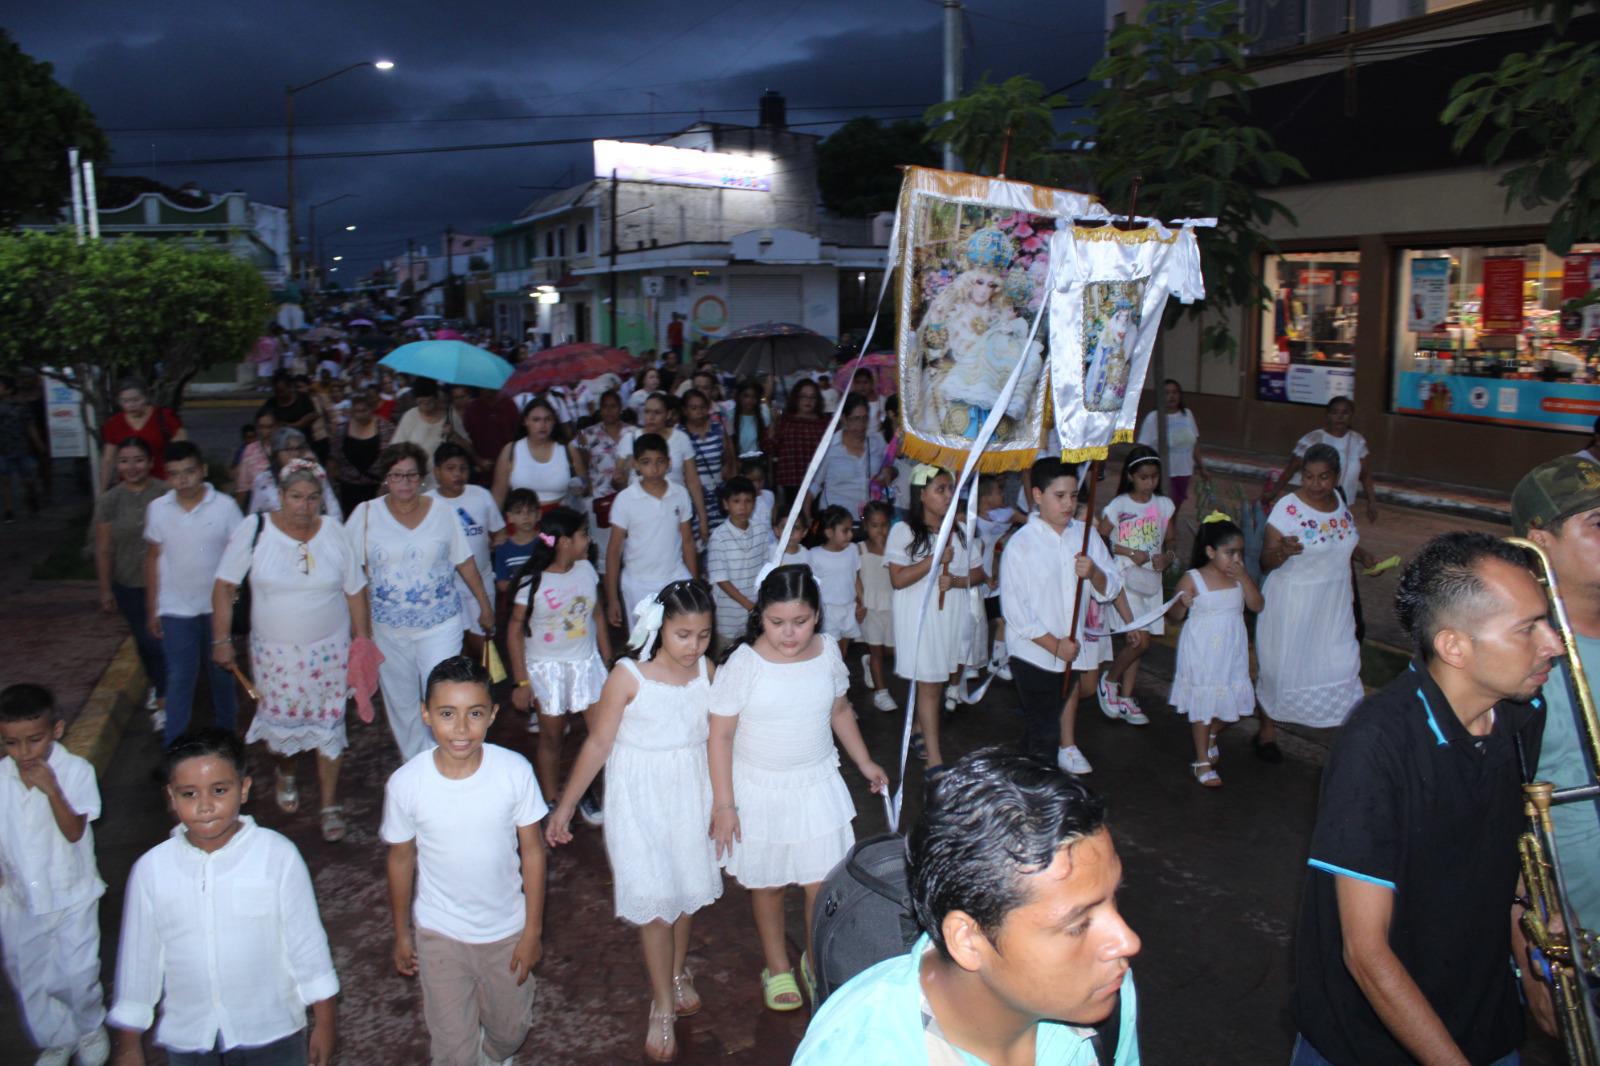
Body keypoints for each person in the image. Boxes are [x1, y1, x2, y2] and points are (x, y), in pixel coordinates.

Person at [1290, 532, 1560, 1065]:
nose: (1552, 643)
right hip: (1370, 1044)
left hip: (1485, 1025)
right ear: (1454, 646)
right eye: (1528, 629)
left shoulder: (1521, 714)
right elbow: (1366, 954)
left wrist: (1533, 959)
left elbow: (1509, 860)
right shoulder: (1378, 743)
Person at [793, 749, 1141, 1066]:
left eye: (1114, 900)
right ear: (967, 939)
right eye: (1077, 924)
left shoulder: (1104, 991)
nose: (1127, 941)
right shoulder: (856, 1054)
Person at [545, 581, 722, 1062]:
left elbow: (718, 740)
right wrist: (565, 806)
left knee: (685, 896)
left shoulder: (709, 671)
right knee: (656, 906)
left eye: (704, 635)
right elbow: (598, 744)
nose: (694, 646)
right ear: (659, 626)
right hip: (639, 800)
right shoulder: (628, 676)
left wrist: (725, 802)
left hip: (690, 795)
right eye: (683, 634)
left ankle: (678, 971)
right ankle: (661, 1005)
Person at [709, 566, 889, 1012]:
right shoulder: (744, 665)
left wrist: (865, 761)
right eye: (776, 623)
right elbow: (720, 736)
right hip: (759, 791)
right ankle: (777, 965)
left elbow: (841, 711)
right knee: (768, 885)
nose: (789, 634)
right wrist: (725, 804)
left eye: (801, 621)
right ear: (760, 617)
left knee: (821, 885)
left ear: (817, 616)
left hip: (815, 785)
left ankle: (813, 956)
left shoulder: (827, 652)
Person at [109, 729, 338, 1066]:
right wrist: (128, 1044)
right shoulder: (152, 870)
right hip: (191, 1038)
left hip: (271, 1029)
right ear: (171, 797)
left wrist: (326, 1021)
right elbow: (138, 959)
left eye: (219, 790)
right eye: (189, 794)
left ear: (243, 788)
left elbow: (307, 944)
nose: (204, 806)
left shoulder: (276, 856)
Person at [381, 657, 546, 1066]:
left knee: (511, 1031)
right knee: (453, 1051)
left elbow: (534, 852)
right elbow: (400, 860)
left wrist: (531, 932)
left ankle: (493, 1054)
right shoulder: (407, 784)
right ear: (425, 714)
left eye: (474, 714)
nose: (460, 729)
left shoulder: (514, 772)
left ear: (492, 715)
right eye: (447, 714)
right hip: (441, 933)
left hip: (506, 931)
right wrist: (402, 932)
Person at [212, 458, 369, 843]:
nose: (304, 505)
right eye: (296, 497)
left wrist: (363, 642)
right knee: (282, 728)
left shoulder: (333, 531)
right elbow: (225, 586)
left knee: (330, 724)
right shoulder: (256, 530)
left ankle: (329, 803)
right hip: (275, 656)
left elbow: (355, 590)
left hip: (329, 652)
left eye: (312, 497)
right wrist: (221, 639)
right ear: (280, 496)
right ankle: (286, 770)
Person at [347, 444, 494, 761]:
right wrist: (358, 628)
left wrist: (485, 605)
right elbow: (348, 572)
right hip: (388, 628)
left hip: (440, 624)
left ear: (422, 478)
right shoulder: (366, 514)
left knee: (441, 693)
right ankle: (415, 764)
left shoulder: (441, 512)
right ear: (386, 478)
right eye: (397, 475)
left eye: (411, 475)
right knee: (401, 703)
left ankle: (444, 759)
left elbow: (464, 561)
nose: (404, 482)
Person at [1512, 454, 1600, 941]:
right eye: (1597, 522)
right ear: (1539, 540)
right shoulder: (1518, 652)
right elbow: (1488, 809)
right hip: (1573, 929)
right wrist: (1520, 924)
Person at [0, 683, 110, 1066]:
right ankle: (56, 1038)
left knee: (78, 973)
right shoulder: (1, 777)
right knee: (30, 978)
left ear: (56, 731)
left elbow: (74, 831)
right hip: (19, 900)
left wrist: (52, 792)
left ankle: (90, 1026)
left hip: (71, 896)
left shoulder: (76, 771)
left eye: (34, 740)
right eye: (11, 743)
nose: (24, 753)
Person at [1002, 458, 1128, 773]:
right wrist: (1054, 645)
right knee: (1045, 728)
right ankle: (1041, 793)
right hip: (1033, 652)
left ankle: (1020, 781)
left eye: (1073, 496)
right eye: (1059, 496)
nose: (1069, 504)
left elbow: (1111, 586)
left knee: (1041, 727)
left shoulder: (1085, 536)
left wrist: (1095, 573)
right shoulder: (1020, 545)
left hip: (1069, 651)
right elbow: (1016, 611)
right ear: (1037, 495)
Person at [1255, 443, 1378, 755]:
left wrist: (1362, 555)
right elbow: (1265, 561)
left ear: (1336, 477)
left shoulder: (1339, 500)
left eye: (1323, 477)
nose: (1315, 484)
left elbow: (1341, 540)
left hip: (1334, 605)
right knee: (1280, 670)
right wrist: (1282, 551)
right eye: (1308, 477)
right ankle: (1267, 731)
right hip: (1294, 604)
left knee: (1342, 665)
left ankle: (1345, 744)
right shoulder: (1288, 508)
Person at [506, 507, 610, 820]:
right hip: (547, 670)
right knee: (552, 739)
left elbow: (597, 616)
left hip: (585, 664)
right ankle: (551, 799)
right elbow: (514, 632)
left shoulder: (586, 570)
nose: (588, 541)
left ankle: (583, 790)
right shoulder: (532, 583)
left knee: (601, 736)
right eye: (582, 535)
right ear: (564, 542)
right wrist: (522, 682)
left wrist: (608, 661)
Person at [142, 442, 244, 748]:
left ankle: (227, 737)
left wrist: (233, 598)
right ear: (166, 477)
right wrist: (152, 608)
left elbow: (239, 554)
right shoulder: (158, 509)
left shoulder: (225, 507)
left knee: (221, 674)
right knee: (180, 676)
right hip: (176, 609)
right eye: (174, 474)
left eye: (189, 472)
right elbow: (152, 558)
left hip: (217, 609)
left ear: (202, 471)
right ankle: (174, 744)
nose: (182, 480)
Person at [887, 465, 985, 767]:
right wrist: (934, 560)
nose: (947, 496)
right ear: (921, 494)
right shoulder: (903, 531)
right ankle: (935, 760)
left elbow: (980, 573)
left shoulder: (961, 531)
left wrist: (955, 580)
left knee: (937, 680)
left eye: (950, 490)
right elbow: (898, 579)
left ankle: (919, 728)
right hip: (919, 618)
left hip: (950, 614)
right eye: (940, 490)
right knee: (929, 684)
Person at [1166, 515, 1261, 788]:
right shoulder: (1193, 578)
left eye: (1239, 552)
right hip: (1202, 650)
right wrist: (1182, 604)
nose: (1236, 558)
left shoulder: (1239, 578)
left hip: (1231, 651)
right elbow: (1174, 616)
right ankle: (1201, 761)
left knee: (1241, 707)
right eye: (1229, 552)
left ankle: (1210, 734)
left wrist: (1245, 577)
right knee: (1204, 705)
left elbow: (1257, 605)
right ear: (1210, 551)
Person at [1096, 445, 1176, 725]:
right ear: (1131, 476)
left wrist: (1168, 558)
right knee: (1139, 639)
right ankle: (1109, 680)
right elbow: (1100, 538)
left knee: (1142, 643)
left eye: (1154, 477)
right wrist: (1130, 552)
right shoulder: (1119, 506)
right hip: (1126, 578)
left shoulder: (1164, 506)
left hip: (1151, 580)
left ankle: (1127, 697)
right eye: (1143, 477)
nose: (1149, 483)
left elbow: (1171, 540)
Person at [94, 438, 168, 726]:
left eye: (139, 459)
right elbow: (103, 548)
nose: (132, 466)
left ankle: (166, 699)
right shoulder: (110, 501)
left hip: (166, 583)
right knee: (146, 641)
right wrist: (104, 589)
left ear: (150, 462)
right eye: (124, 461)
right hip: (129, 585)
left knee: (160, 641)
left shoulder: (165, 493)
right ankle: (159, 686)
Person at [605, 434, 696, 630]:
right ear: (635, 464)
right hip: (638, 583)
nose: (654, 469)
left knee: (682, 634)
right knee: (643, 643)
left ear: (669, 462)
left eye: (660, 462)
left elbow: (687, 541)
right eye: (646, 462)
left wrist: (695, 584)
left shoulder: (680, 494)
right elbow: (614, 550)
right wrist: (612, 598)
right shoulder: (625, 499)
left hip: (675, 577)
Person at [430, 442, 506, 660]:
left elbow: (499, 533)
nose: (458, 474)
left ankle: (484, 683)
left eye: (463, 468)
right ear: (437, 472)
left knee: (483, 638)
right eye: (450, 468)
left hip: (481, 580)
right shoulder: (428, 502)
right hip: (446, 586)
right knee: (455, 641)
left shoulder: (480, 495)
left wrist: (496, 545)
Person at [1266, 395, 1378, 524]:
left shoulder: (1358, 441)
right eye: (1335, 412)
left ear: (1351, 416)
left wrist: (1372, 502)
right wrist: (1273, 493)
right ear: (1328, 415)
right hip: (1314, 504)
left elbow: (1366, 475)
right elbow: (1291, 469)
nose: (1340, 417)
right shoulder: (1313, 439)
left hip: (1344, 507)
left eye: (1345, 413)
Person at [576, 389, 638, 576]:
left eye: (613, 406)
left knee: (631, 547)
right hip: (601, 498)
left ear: (620, 408)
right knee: (604, 548)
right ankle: (607, 586)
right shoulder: (588, 434)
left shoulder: (633, 432)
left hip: (631, 496)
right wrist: (585, 481)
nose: (609, 411)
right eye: (605, 407)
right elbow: (580, 460)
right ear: (600, 409)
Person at [705, 477, 770, 653]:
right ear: (726, 504)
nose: (743, 507)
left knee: (754, 656)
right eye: (736, 501)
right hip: (728, 616)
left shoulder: (761, 531)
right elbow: (721, 580)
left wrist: (761, 602)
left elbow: (767, 567)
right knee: (725, 659)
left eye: (748, 501)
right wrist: (750, 606)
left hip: (756, 608)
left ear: (754, 503)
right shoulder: (719, 537)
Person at [492, 396, 587, 514]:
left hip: (560, 523)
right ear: (525, 421)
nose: (542, 425)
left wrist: (580, 487)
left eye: (547, 419)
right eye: (536, 420)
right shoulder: (511, 450)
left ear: (554, 421)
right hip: (521, 524)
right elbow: (498, 497)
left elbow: (585, 486)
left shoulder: (567, 450)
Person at [639, 392, 711, 540]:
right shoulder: (631, 438)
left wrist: (703, 518)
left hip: (676, 510)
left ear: (668, 414)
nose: (651, 417)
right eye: (647, 412)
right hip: (642, 514)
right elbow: (621, 482)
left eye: (657, 412)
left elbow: (692, 481)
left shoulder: (681, 439)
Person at [808, 394, 889, 521]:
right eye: (855, 419)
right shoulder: (829, 447)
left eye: (864, 418)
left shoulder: (877, 442)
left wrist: (889, 474)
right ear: (844, 419)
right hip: (835, 523)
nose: (861, 425)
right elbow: (814, 485)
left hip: (870, 522)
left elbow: (892, 466)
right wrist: (807, 516)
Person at [1137, 379, 1205, 512]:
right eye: (1167, 393)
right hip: (1162, 474)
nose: (1171, 396)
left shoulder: (1187, 415)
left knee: (1174, 510)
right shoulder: (1153, 418)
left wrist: (1202, 467)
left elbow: (1194, 443)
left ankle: (1170, 532)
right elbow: (1143, 448)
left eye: (1175, 392)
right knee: (1161, 510)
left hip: (1184, 471)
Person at [98, 380, 184, 486]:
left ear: (146, 398)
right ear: (119, 402)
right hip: (130, 486)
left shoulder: (165, 417)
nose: (132, 405)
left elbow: (182, 453)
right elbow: (108, 460)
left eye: (136, 400)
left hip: (164, 483)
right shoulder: (114, 424)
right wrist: (102, 493)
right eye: (125, 401)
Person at [857, 500, 898, 712]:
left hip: (890, 604)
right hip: (870, 605)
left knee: (891, 650)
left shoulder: (895, 550)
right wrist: (860, 600)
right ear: (866, 526)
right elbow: (855, 577)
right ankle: (881, 693)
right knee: (877, 652)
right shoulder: (860, 549)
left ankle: (867, 663)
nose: (880, 530)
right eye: (874, 525)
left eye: (884, 525)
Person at [807, 505, 864, 657]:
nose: (850, 534)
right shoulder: (814, 555)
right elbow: (811, 586)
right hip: (828, 609)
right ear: (829, 532)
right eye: (845, 530)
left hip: (848, 607)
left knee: (843, 651)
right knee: (832, 651)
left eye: (851, 529)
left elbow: (856, 577)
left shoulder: (853, 550)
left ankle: (839, 676)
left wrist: (862, 602)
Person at [247, 428, 342, 519]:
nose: (295, 453)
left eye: (299, 448)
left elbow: (332, 506)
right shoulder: (263, 480)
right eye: (289, 449)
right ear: (276, 453)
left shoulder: (315, 472)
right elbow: (255, 515)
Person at [392, 379, 473, 485]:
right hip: (416, 481)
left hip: (444, 482)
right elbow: (395, 449)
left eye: (429, 402)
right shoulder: (410, 416)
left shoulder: (450, 416)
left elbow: (468, 448)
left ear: (436, 398)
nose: (425, 406)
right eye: (421, 402)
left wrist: (454, 435)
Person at [328, 391, 394, 515]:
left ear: (372, 409)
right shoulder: (342, 429)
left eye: (363, 411)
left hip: (377, 488)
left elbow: (392, 459)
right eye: (356, 411)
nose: (359, 415)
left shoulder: (386, 427)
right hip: (348, 489)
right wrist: (332, 485)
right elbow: (333, 459)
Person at [770, 380, 828, 513]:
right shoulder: (785, 421)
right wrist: (773, 422)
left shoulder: (824, 423)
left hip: (817, 482)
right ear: (796, 398)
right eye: (804, 396)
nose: (808, 400)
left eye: (812, 397)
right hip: (791, 481)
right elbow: (771, 446)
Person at [492, 488, 541, 627]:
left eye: (530, 511)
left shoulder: (547, 542)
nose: (525, 516)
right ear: (509, 517)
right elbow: (502, 584)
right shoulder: (503, 548)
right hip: (517, 608)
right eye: (518, 512)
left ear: (539, 514)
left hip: (546, 603)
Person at [0, 373, 44, 521]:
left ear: (8, 389)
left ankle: (32, 498)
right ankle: (8, 510)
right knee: (5, 480)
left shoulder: (21, 406)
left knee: (28, 478)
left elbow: (30, 426)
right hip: (3, 449)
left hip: (21, 448)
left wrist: (38, 442)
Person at [233, 408, 278, 504]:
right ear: (257, 428)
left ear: (276, 426)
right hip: (260, 505)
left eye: (270, 426)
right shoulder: (250, 450)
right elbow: (243, 486)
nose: (267, 431)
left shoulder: (288, 446)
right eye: (262, 427)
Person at [728, 380, 771, 461]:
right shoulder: (730, 416)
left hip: (759, 463)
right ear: (739, 396)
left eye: (754, 397)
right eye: (746, 396)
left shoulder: (764, 414)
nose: (749, 400)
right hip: (737, 463)